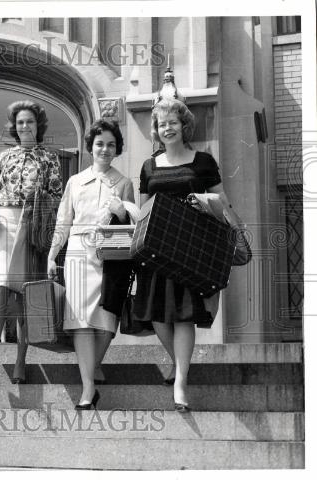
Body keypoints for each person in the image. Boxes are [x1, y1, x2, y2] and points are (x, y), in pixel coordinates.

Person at [132, 98, 234, 413]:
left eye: (173, 122)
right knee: (159, 318)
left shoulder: (203, 161)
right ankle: (180, 365)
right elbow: (143, 210)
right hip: (157, 250)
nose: (168, 128)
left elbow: (223, 202)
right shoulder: (149, 166)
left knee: (184, 316)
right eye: (162, 124)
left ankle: (180, 384)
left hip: (191, 248)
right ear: (157, 131)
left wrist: (204, 202)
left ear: (183, 125)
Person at [48, 119, 134, 409]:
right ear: (91, 147)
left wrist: (122, 212)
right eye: (100, 144)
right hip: (78, 253)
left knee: (107, 320)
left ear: (117, 148)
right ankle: (88, 387)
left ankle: (92, 365)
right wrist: (52, 254)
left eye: (111, 144)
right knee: (81, 321)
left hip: (110, 254)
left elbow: (131, 226)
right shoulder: (75, 181)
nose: (105, 149)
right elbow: (63, 220)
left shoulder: (124, 183)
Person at [0, 100, 63, 383]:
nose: (25, 126)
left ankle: (20, 361)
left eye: (29, 121)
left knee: (26, 294)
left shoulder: (49, 158)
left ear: (38, 125)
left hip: (32, 225)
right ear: (14, 128)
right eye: (20, 123)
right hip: (4, 223)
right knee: (0, 285)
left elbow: (57, 198)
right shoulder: (3, 158)